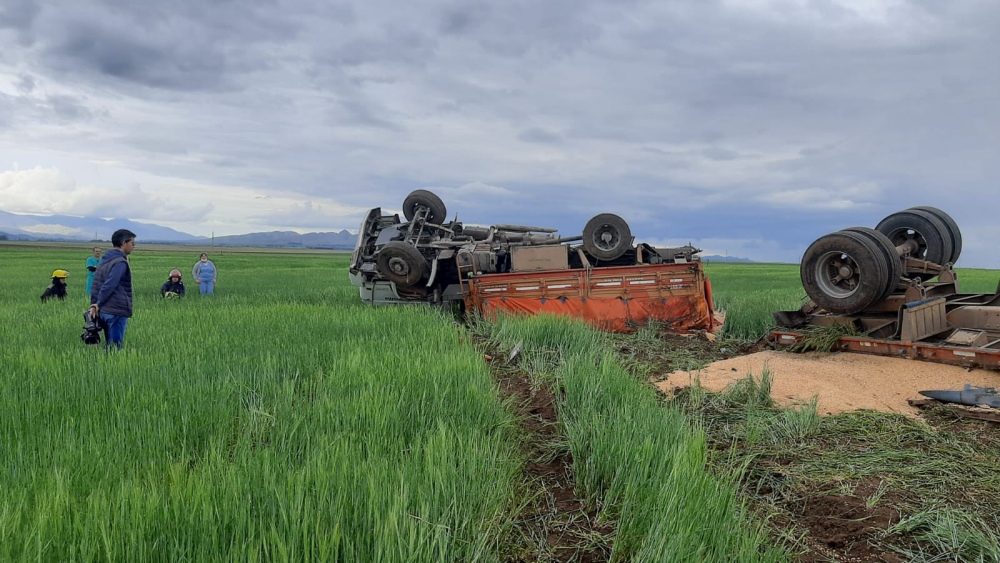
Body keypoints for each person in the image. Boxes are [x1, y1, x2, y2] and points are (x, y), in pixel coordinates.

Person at [90, 229, 136, 350]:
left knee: (108, 347)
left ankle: (106, 367)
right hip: (115, 310)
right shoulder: (119, 262)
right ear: (123, 243)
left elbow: (96, 284)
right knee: (115, 348)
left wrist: (95, 304)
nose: (134, 246)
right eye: (132, 243)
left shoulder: (105, 260)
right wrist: (98, 303)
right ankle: (113, 368)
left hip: (104, 310)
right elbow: (110, 284)